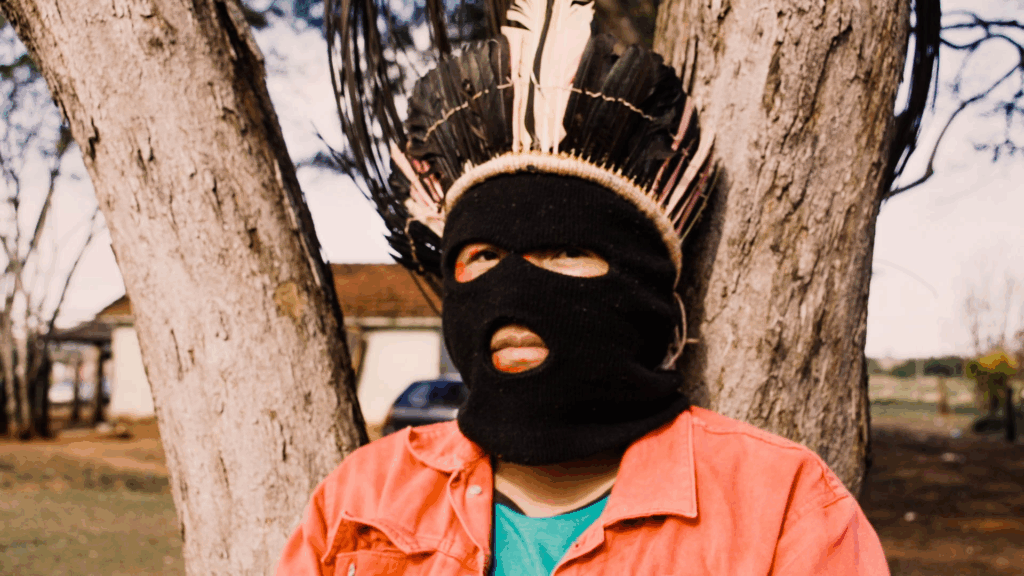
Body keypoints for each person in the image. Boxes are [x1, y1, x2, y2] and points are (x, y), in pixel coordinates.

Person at [277, 0, 889, 574]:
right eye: (483, 256)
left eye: (567, 251)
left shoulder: (781, 509)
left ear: (646, 293)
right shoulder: (362, 500)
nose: (513, 290)